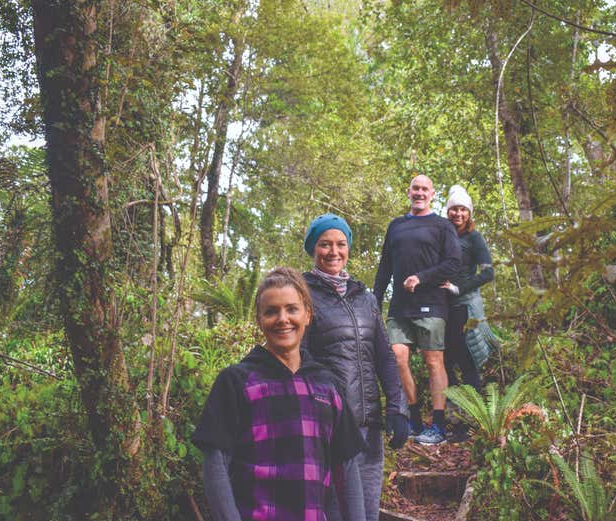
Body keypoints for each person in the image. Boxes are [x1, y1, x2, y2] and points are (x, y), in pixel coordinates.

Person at [192, 267, 367, 521]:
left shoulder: (328, 384)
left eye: (291, 309)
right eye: (271, 311)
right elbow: (215, 464)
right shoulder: (236, 381)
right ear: (259, 319)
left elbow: (347, 468)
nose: (282, 319)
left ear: (308, 314)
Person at [302, 213, 409, 521]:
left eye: (340, 243)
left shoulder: (366, 298)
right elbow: (301, 360)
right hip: (331, 427)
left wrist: (397, 408)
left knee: (366, 512)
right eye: (324, 244)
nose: (333, 251)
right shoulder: (302, 295)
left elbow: (384, 356)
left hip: (369, 428)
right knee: (337, 512)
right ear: (313, 249)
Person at [373, 174, 461, 445]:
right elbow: (385, 265)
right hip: (399, 307)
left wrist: (422, 277)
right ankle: (412, 418)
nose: (419, 193)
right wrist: (374, 299)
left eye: (425, 189)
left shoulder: (442, 226)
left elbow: (453, 263)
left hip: (432, 304)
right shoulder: (396, 226)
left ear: (432, 194)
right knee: (397, 358)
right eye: (415, 188)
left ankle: (437, 425)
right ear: (408, 192)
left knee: (433, 360)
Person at [440, 185, 498, 409]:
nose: (458, 214)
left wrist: (458, 288)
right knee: (444, 357)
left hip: (464, 304)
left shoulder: (474, 238)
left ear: (469, 212)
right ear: (448, 211)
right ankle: (454, 407)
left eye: (463, 209)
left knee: (466, 355)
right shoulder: (442, 234)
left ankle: (474, 409)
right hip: (442, 305)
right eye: (454, 209)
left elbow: (488, 272)